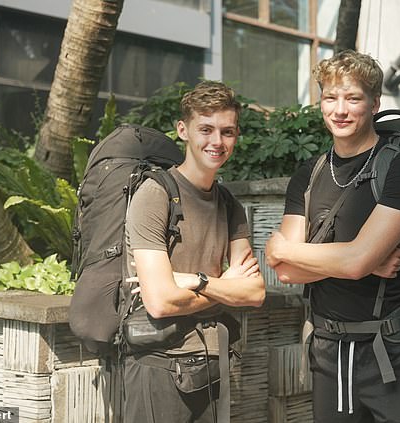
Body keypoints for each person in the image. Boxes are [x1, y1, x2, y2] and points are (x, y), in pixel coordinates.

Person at [266, 50, 400, 422]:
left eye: (352, 98)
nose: (339, 110)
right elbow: (288, 272)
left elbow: (347, 261)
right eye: (330, 97)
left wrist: (291, 249)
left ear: (374, 104)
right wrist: (366, 261)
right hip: (328, 348)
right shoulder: (309, 173)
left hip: (391, 349)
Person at [123, 80, 266, 423]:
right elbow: (159, 302)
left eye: (227, 132)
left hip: (212, 361)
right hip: (158, 365)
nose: (217, 142)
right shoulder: (154, 195)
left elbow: (254, 293)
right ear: (183, 130)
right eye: (206, 129)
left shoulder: (229, 203)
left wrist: (195, 281)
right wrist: (222, 286)